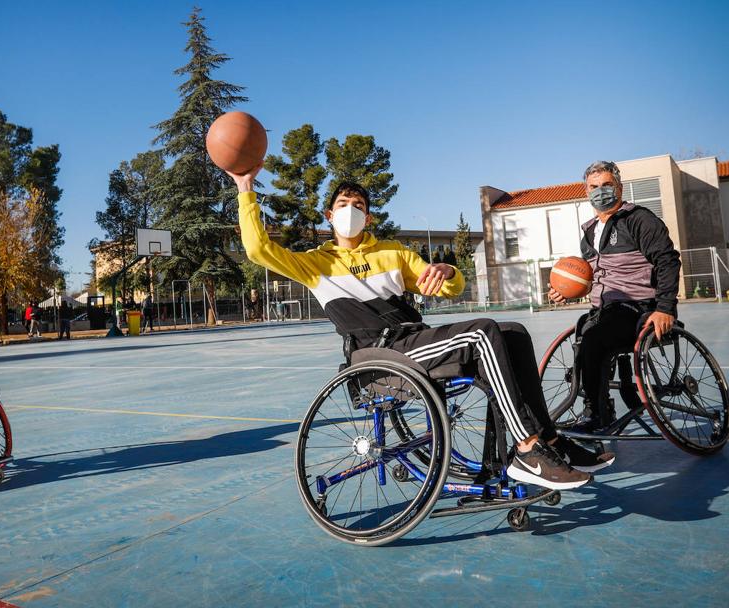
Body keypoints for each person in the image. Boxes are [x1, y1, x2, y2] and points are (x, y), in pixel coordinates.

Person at [228, 165, 613, 491]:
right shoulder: (315, 263)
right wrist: (245, 187)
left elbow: (447, 285)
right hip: (378, 357)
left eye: (358, 206)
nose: (351, 211)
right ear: (329, 216)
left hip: (412, 341)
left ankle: (548, 437)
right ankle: (528, 448)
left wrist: (448, 271)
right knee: (481, 331)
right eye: (343, 205)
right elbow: (258, 250)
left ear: (370, 217)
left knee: (512, 332)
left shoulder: (393, 253)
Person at [548, 160, 681, 430]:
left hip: (639, 307)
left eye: (607, 185)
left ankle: (593, 415)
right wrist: (567, 292)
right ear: (586, 192)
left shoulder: (639, 219)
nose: (600, 191)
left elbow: (668, 261)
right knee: (584, 331)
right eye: (594, 187)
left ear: (619, 187)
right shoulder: (589, 231)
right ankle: (600, 404)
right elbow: (594, 279)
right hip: (604, 310)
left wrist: (665, 307)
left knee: (594, 339)